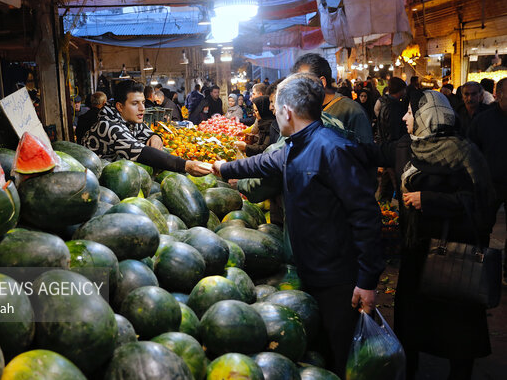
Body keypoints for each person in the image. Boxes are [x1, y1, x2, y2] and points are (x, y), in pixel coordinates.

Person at [213, 73, 384, 378]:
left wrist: (368, 280)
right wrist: (221, 168)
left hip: (338, 279)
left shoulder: (333, 149)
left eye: (276, 108)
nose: (275, 113)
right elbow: (262, 164)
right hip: (310, 273)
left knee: (342, 358)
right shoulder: (294, 145)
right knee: (320, 355)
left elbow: (366, 216)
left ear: (287, 112)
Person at [395, 90, 493, 380]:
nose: (405, 118)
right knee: (412, 323)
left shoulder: (463, 152)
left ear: (428, 117)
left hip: (454, 256)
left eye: (411, 113)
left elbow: (480, 203)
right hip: (417, 252)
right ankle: (409, 370)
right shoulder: (410, 147)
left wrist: (430, 200)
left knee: (456, 329)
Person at [82, 80, 211, 176]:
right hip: (98, 181)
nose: (142, 108)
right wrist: (186, 165)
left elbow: (146, 131)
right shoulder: (109, 126)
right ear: (120, 107)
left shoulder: (129, 117)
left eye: (143, 102)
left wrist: (155, 136)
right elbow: (139, 151)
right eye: (135, 103)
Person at [469, 77, 507, 282]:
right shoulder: (484, 120)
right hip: (489, 184)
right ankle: (480, 267)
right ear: (498, 94)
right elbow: (472, 151)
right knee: (482, 227)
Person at [292, 53, 373, 144]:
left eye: (302, 82)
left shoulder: (351, 110)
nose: (297, 88)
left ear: (321, 82)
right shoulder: (301, 111)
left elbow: (367, 152)